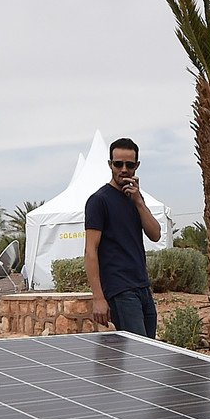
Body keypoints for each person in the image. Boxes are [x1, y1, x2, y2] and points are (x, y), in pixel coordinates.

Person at [84, 136, 162, 336]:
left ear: (137, 165)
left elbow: (155, 234)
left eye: (130, 164)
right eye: (118, 164)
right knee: (138, 353)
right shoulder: (98, 201)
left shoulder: (135, 198)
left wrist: (138, 201)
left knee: (148, 351)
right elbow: (90, 250)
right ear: (110, 164)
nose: (124, 169)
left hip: (143, 287)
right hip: (120, 290)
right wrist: (98, 298)